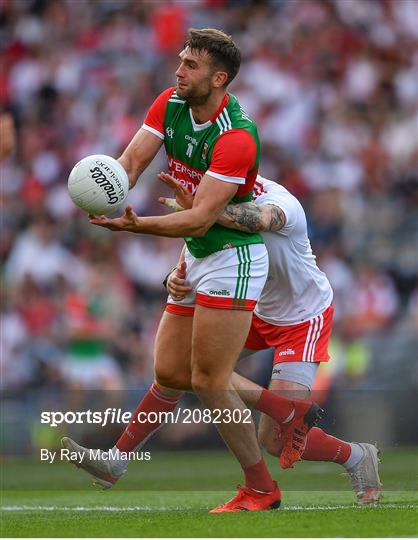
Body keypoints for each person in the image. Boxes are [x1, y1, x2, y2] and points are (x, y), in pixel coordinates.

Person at [62, 28, 322, 513]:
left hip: (233, 258)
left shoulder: (238, 137)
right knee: (169, 372)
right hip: (195, 253)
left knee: (207, 378)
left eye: (191, 65)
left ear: (219, 78)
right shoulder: (170, 103)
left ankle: (261, 489)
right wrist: (111, 188)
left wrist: (135, 227)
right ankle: (118, 460)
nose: (178, 70)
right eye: (181, 61)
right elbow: (132, 161)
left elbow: (203, 216)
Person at [159, 172, 382, 505]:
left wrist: (201, 211)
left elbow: (259, 220)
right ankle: (285, 430)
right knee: (191, 368)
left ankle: (355, 456)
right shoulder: (215, 199)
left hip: (302, 317)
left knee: (274, 441)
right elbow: (196, 258)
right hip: (257, 312)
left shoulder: (278, 203)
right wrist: (172, 279)